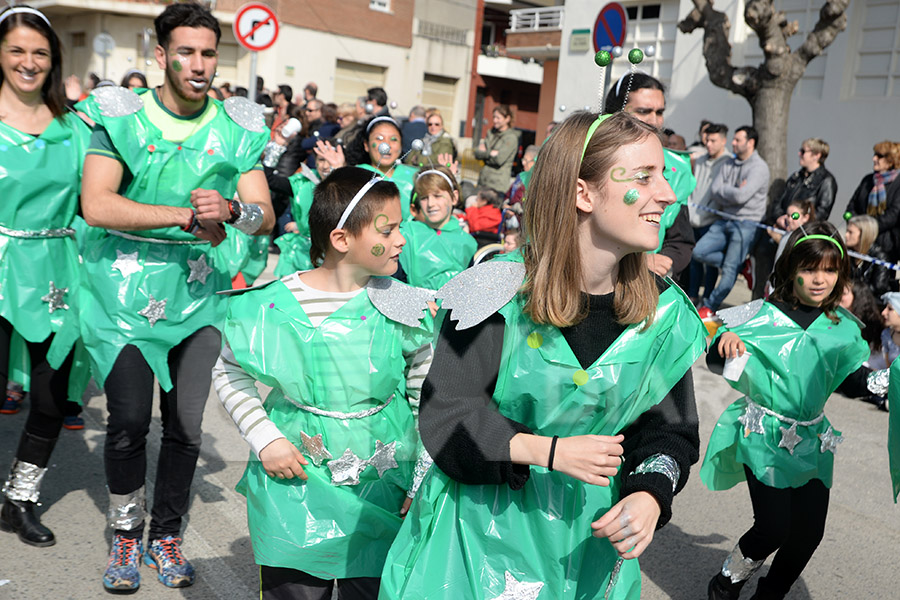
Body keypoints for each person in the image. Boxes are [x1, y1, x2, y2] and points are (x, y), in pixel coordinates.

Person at [380, 111, 707, 599]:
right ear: (583, 193)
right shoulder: (494, 290)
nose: (667, 193)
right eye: (645, 176)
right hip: (475, 550)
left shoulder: (663, 314)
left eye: (663, 175)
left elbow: (669, 431)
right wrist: (547, 451)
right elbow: (446, 416)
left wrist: (650, 494)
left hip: (587, 554)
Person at [76, 2, 274, 592]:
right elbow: (98, 204)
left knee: (186, 428)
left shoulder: (237, 126)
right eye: (185, 51)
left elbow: (261, 215)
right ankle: (126, 535)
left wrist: (237, 210)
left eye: (208, 52)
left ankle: (166, 536)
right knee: (129, 422)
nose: (198, 63)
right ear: (161, 55)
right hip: (123, 301)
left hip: (198, 299)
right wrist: (187, 217)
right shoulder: (122, 118)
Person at [213, 166, 433, 599]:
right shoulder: (270, 306)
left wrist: (423, 466)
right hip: (294, 479)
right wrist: (265, 439)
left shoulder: (405, 306)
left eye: (401, 228)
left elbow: (424, 388)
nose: (401, 240)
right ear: (341, 240)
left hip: (382, 481)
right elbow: (229, 371)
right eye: (386, 230)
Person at [702, 221, 880, 599]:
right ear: (790, 270)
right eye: (809, 269)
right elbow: (715, 353)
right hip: (764, 434)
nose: (820, 279)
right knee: (772, 528)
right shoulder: (760, 314)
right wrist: (725, 342)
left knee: (808, 534)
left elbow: (852, 381)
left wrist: (887, 383)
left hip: (813, 440)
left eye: (830, 270)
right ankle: (725, 583)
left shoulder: (842, 327)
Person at [0, 4, 91, 549]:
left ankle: (20, 497)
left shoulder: (73, 129)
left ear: (53, 60)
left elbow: (101, 201)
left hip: (54, 272)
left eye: (40, 52)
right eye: (16, 50)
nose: (28, 62)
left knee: (52, 397)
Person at [604, 72, 696, 280]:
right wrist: (632, 261)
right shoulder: (583, 156)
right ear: (617, 112)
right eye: (644, 111)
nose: (655, 122)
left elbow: (681, 240)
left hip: (643, 287)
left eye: (660, 112)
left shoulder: (676, 169)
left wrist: (663, 261)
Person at [693, 126, 770, 314]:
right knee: (698, 252)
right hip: (724, 219)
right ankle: (737, 265)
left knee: (728, 274)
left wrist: (728, 191)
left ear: (750, 143)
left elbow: (742, 196)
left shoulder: (759, 168)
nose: (733, 143)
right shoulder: (729, 163)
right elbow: (715, 191)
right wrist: (733, 191)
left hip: (746, 224)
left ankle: (709, 306)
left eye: (737, 140)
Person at [752, 138, 838, 298]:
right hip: (781, 231)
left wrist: (798, 223)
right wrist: (782, 218)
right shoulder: (796, 177)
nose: (799, 154)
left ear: (817, 155)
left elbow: (821, 213)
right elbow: (778, 202)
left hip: (800, 236)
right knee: (764, 271)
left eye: (804, 151)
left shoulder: (827, 181)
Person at [396, 166, 476, 289]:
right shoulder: (406, 234)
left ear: (454, 197)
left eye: (437, 196)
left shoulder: (467, 242)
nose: (430, 204)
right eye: (424, 198)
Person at [331, 115, 419, 219]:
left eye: (394, 139)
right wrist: (339, 175)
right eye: (379, 138)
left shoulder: (416, 175)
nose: (386, 145)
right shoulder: (355, 175)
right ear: (366, 145)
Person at [687, 123, 731, 304]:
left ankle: (708, 300)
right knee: (694, 261)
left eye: (713, 141)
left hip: (712, 220)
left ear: (723, 141)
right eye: (707, 140)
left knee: (709, 264)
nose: (709, 144)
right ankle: (692, 295)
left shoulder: (729, 162)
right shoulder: (701, 159)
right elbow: (694, 186)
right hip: (693, 217)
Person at [843, 141, 900, 261]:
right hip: (859, 241)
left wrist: (867, 229)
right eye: (874, 155)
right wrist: (856, 226)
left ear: (891, 161)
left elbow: (893, 214)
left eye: (879, 156)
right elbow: (852, 205)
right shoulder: (868, 180)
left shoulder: (898, 183)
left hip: (886, 244)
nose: (874, 158)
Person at [844, 214, 896, 297]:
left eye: (850, 232)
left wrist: (852, 289)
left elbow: (878, 287)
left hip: (868, 302)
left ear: (864, 235)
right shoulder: (847, 253)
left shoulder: (880, 257)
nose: (846, 235)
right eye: (847, 231)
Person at [473, 104, 518, 196]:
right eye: (494, 117)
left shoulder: (511, 138)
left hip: (497, 186)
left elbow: (499, 159)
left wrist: (485, 153)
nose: (494, 121)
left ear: (507, 119)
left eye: (498, 118)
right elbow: (477, 153)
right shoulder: (491, 133)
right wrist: (490, 153)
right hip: (483, 181)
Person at [505, 143, 538, 208]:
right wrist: (506, 202)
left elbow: (524, 200)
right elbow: (509, 193)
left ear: (535, 162)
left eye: (526, 160)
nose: (523, 163)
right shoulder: (520, 176)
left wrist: (516, 208)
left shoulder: (535, 181)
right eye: (523, 159)